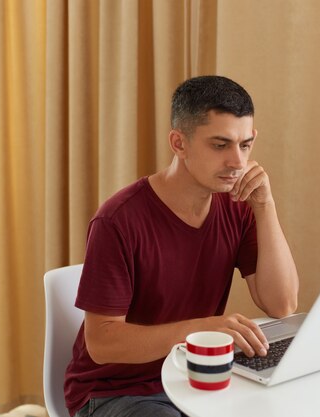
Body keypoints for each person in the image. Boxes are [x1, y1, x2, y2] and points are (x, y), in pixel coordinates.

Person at [64, 75, 299, 417]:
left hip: (198, 376)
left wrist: (265, 206)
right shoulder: (118, 220)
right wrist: (200, 328)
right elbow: (100, 343)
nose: (237, 162)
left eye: (245, 145)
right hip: (117, 391)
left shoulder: (239, 206)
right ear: (179, 143)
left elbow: (282, 304)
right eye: (220, 145)